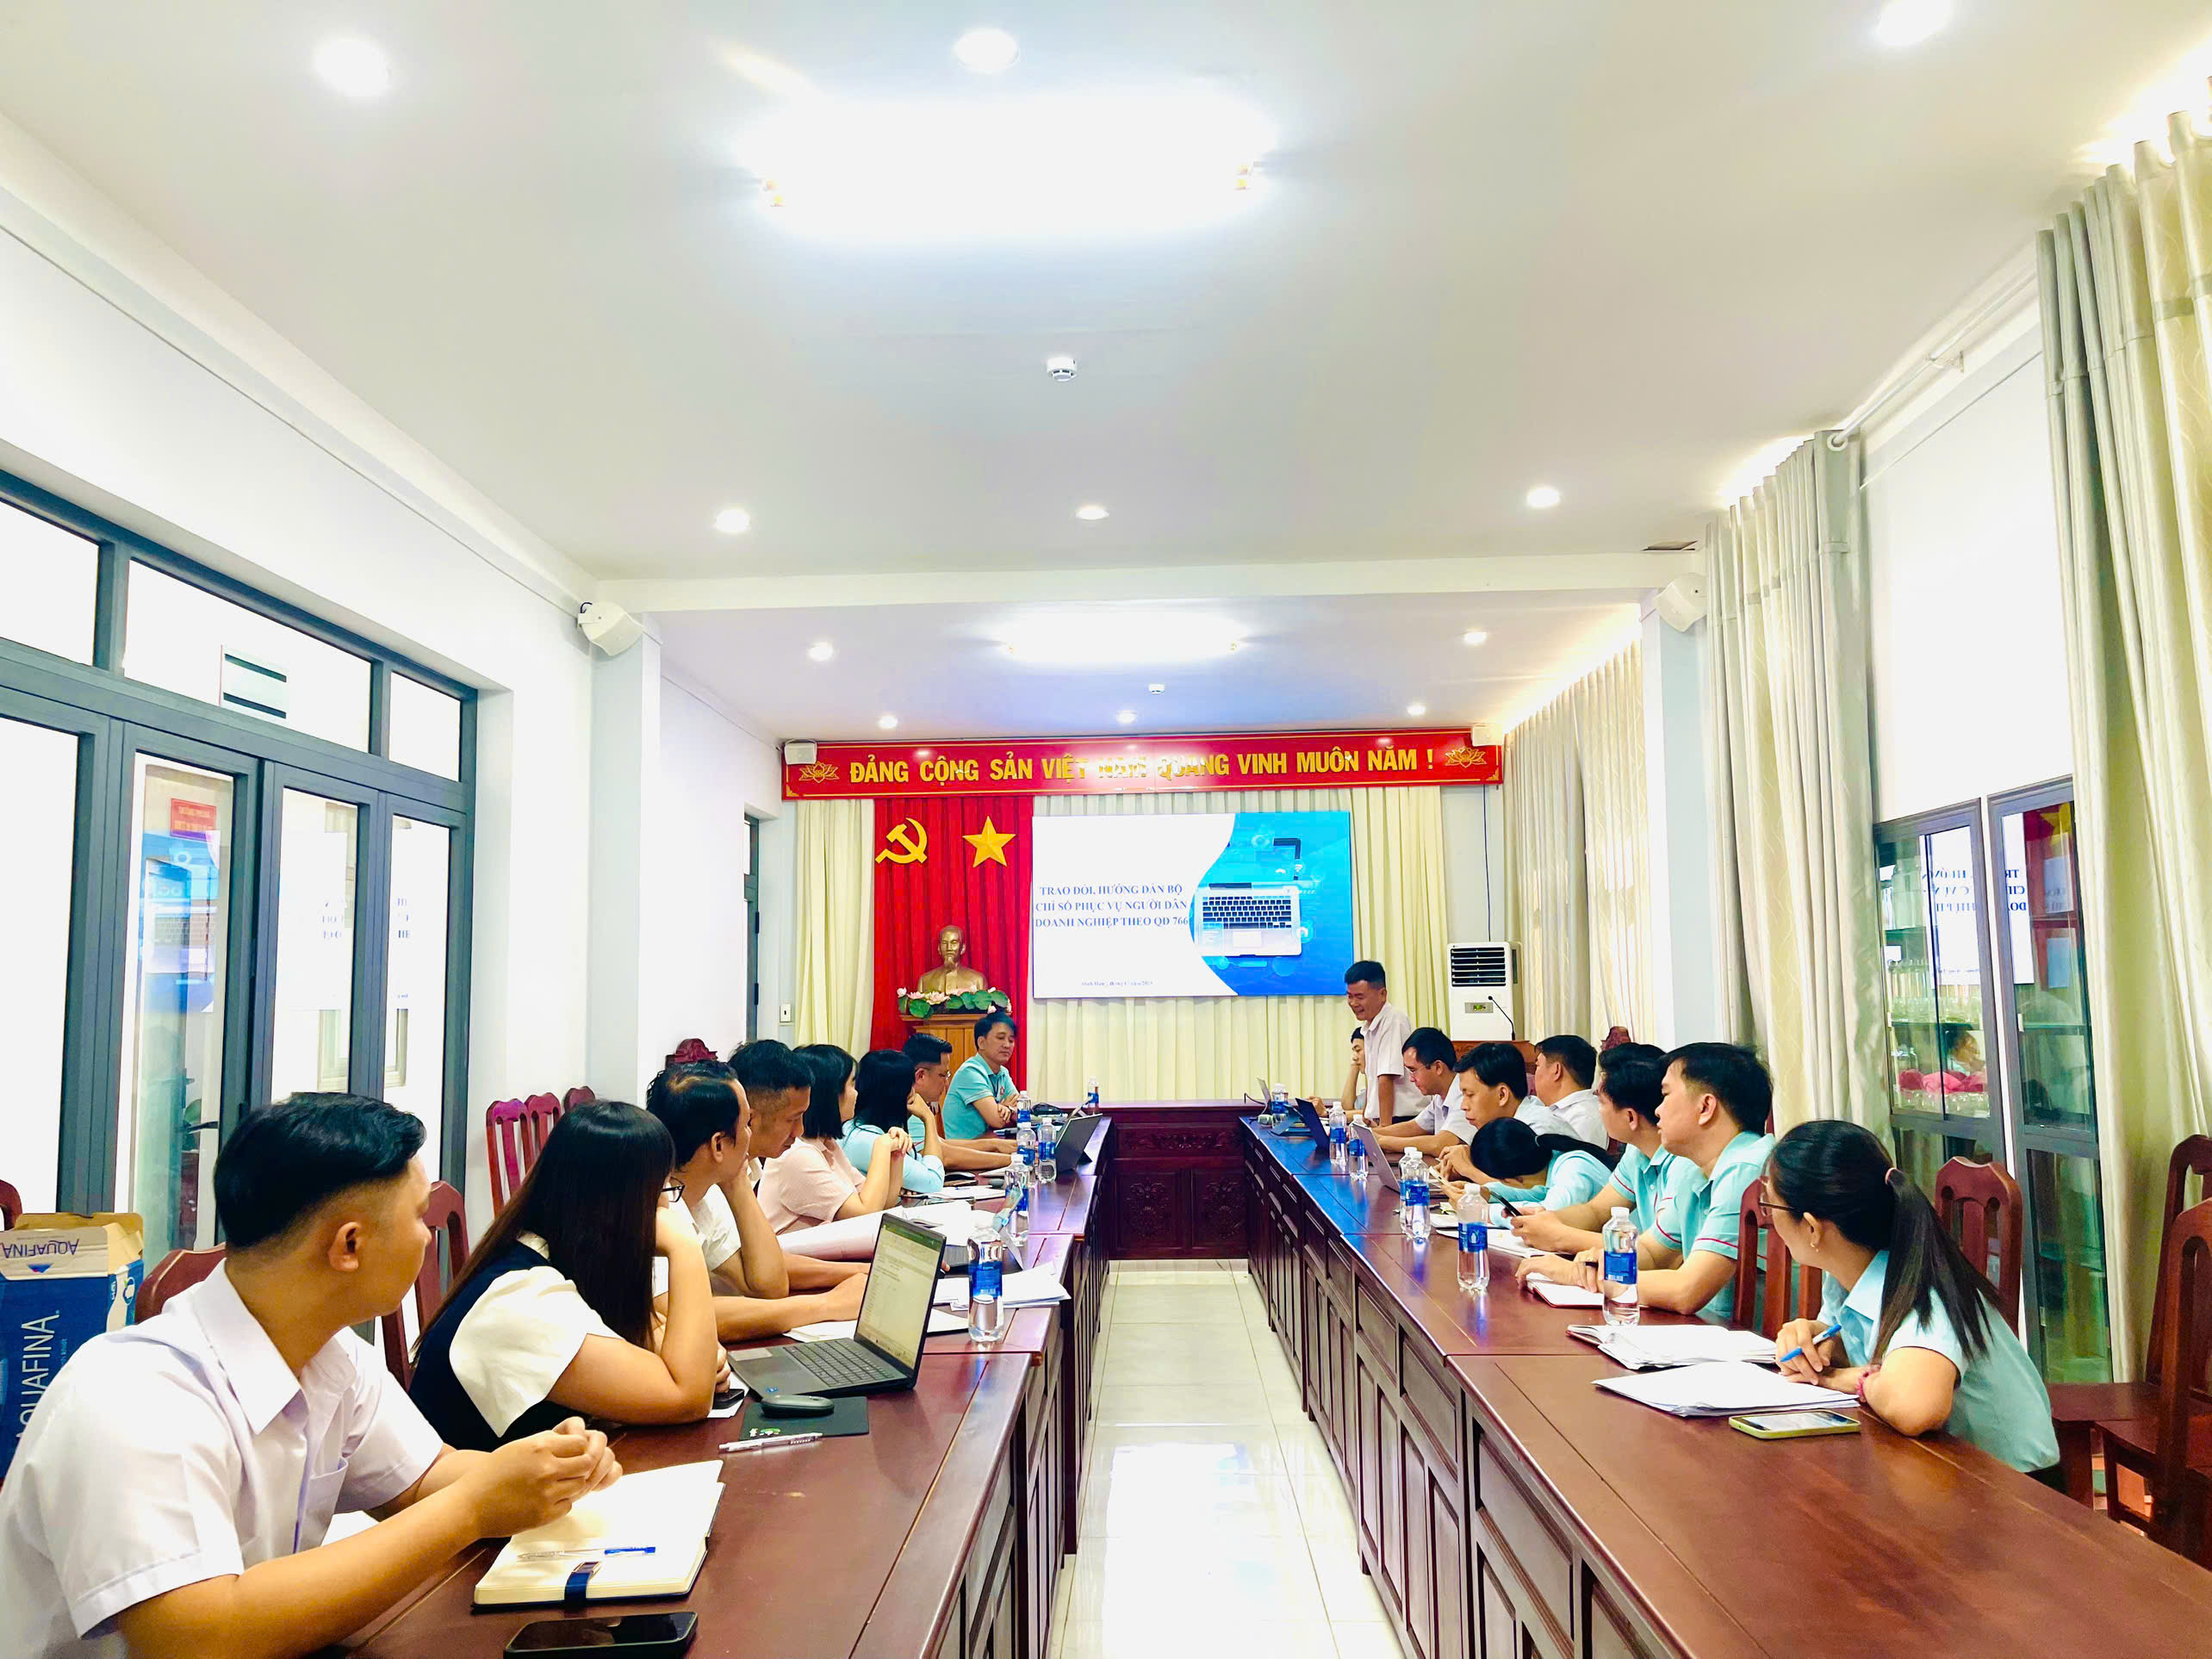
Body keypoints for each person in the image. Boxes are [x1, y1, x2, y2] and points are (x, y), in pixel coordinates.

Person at [0, 1093, 622, 1659]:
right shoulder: (134, 1396)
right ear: (349, 1245)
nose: (427, 1235)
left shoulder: (332, 1357)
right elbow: (198, 1637)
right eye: (418, 1217)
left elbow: (423, 1479)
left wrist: (546, 1469)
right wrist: (471, 1507)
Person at [410, 1101, 723, 1449]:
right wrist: (684, 1245)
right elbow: (688, 1397)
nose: (667, 1208)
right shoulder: (522, 1300)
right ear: (621, 1205)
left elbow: (660, 1348)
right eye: (663, 1191)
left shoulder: (561, 1256)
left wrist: (700, 1359)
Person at [1766, 1122, 2059, 1477]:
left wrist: (1834, 1379)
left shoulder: (1924, 1287)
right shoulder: (1851, 1273)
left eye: (1771, 1205)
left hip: (2014, 1489)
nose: (1770, 1219)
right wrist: (1815, 1341)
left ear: (1812, 1228)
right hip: (1941, 1469)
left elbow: (1916, 1407)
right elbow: (1858, 1344)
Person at [1519, 1042, 1774, 1321]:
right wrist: (1600, 1263)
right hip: (1707, 1329)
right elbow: (1652, 1253)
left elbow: (1686, 1290)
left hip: (1752, 1341)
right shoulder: (1694, 1169)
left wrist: (1579, 1275)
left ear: (1705, 1107)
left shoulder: (1744, 1169)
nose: (1658, 1110)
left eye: (1666, 1095)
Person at [644, 1060, 870, 1340]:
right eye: (745, 1124)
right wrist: (828, 1305)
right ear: (718, 1144)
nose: (749, 1134)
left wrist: (736, 1182)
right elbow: (674, 1314)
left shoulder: (705, 1193)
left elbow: (769, 1285)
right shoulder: (652, 1202)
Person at [727, 1040, 868, 1294]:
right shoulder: (719, 1179)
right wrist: (827, 1304)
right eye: (792, 1119)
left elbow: (769, 1265)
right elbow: (768, 1283)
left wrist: (862, 1271)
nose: (799, 1130)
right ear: (750, 1118)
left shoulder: (747, 1170)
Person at [1512, 1045, 1672, 1255]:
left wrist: (1559, 1236)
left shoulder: (1683, 1162)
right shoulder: (1636, 1152)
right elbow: (1596, 1211)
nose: (1598, 1109)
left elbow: (1655, 1254)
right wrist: (1549, 1217)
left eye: (1601, 1102)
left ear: (1630, 1117)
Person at [757, 1044, 910, 1232]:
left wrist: (896, 1156)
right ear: (830, 1094)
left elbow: (883, 1204)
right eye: (851, 1084)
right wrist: (882, 1148)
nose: (856, 1093)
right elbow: (866, 1213)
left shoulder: (827, 1144)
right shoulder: (798, 1155)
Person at [904, 1032, 1013, 1174]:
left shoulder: (917, 1102)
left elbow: (940, 1143)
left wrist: (995, 1144)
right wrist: (1012, 1160)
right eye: (943, 1075)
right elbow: (944, 1156)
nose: (946, 1083)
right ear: (920, 1076)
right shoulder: (908, 1106)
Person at [1452, 1118, 1617, 1212]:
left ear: (1512, 1180)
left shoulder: (1572, 1169)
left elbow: (1546, 1219)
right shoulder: (1552, 1162)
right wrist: (1487, 1194)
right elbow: (1538, 1194)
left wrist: (1482, 1211)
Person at [845, 1048, 949, 1195]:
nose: (914, 1093)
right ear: (898, 1095)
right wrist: (928, 1118)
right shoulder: (866, 1139)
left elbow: (920, 1165)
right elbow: (933, 1181)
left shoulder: (872, 1129)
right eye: (910, 1087)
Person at [1430, 1042, 1533, 1182]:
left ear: (1502, 1095)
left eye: (1470, 1095)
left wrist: (1468, 1169)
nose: (1463, 1106)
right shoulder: (1499, 1128)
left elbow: (1526, 1192)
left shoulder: (1535, 1129)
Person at [1343, 961, 1420, 1123]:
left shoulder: (1393, 1020)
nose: (1353, 1003)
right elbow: (1373, 1082)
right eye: (1350, 996)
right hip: (1382, 1119)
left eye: (1360, 997)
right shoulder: (1369, 1028)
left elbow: (1386, 1078)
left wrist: (1384, 1129)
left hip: (1400, 1120)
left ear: (1382, 994)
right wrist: (1365, 1118)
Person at [1372, 1027, 1469, 1156]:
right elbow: (1414, 1127)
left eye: (1413, 1070)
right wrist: (1370, 1133)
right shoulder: (1440, 1096)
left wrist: (1382, 1141)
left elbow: (1439, 1144)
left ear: (1438, 1067)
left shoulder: (1465, 1096)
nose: (1411, 1079)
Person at [944, 1012, 1020, 1138]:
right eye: (1000, 1038)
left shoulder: (1003, 1073)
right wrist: (1007, 1107)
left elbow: (1022, 1114)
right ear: (981, 1043)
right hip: (965, 1147)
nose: (1007, 1045)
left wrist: (1007, 1109)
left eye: (1011, 1040)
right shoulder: (970, 1072)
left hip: (989, 1142)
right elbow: (997, 1120)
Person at [1525, 1034, 1607, 1146]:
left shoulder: (1585, 1118)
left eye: (1537, 1066)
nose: (1534, 1075)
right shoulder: (1560, 1111)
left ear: (1556, 1071)